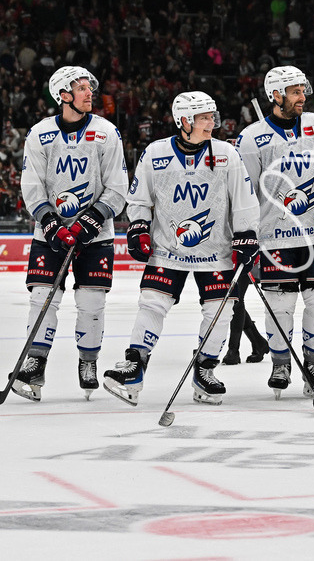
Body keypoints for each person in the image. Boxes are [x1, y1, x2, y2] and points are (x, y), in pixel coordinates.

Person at [104, 91, 259, 406]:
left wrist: (246, 234)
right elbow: (139, 199)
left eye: (212, 117)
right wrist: (138, 226)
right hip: (167, 248)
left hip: (215, 251)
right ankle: (134, 367)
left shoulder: (227, 154)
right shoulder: (156, 153)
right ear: (184, 121)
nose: (212, 123)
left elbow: (245, 200)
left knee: (220, 311)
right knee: (152, 303)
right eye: (204, 118)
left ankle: (205, 370)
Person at [13, 66, 128, 401]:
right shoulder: (40, 134)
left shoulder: (106, 132)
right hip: (50, 233)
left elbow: (117, 187)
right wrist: (50, 222)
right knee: (42, 297)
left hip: (96, 234)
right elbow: (31, 185)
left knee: (92, 301)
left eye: (89, 87)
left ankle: (88, 361)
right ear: (63, 95)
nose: (89, 92)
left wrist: (90, 219)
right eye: (80, 88)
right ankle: (35, 363)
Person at [235, 66, 314, 399]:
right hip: (275, 237)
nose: (303, 97)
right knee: (280, 304)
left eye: (303, 90)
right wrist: (244, 234)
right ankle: (281, 364)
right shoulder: (252, 138)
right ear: (276, 95)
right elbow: (244, 193)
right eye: (295, 92)